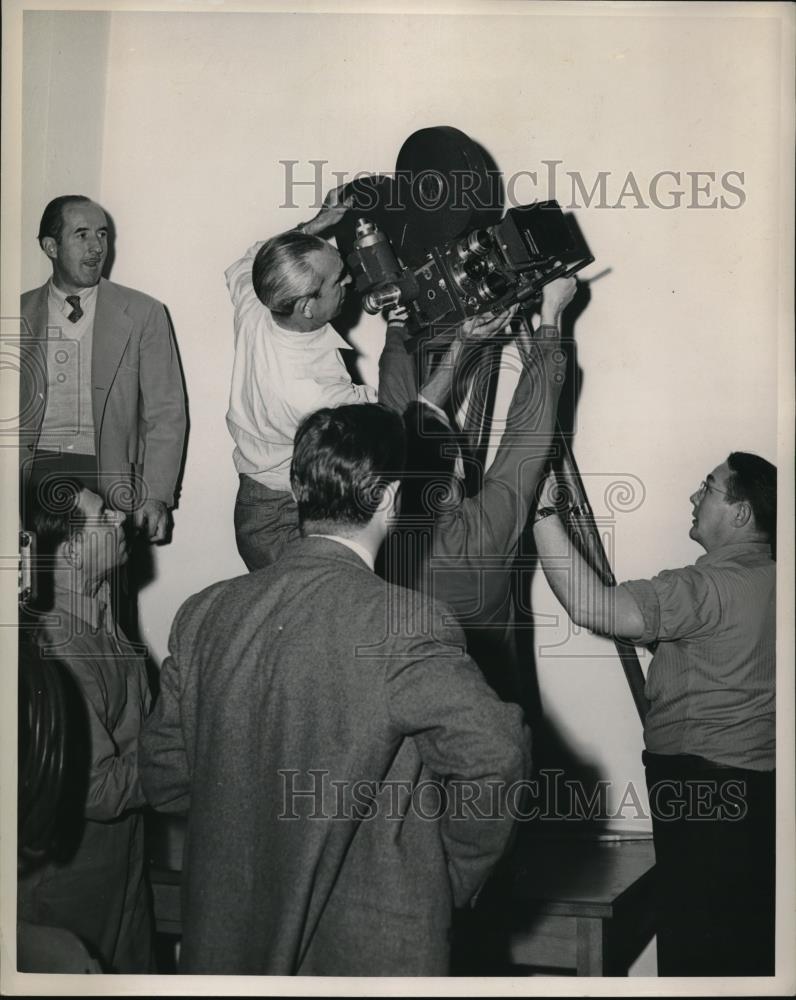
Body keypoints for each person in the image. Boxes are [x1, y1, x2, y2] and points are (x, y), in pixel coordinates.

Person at [139, 403, 529, 975]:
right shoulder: (408, 623)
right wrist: (442, 877)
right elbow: (497, 756)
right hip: (371, 953)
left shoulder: (204, 614)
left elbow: (165, 777)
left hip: (226, 951)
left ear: (298, 491)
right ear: (392, 499)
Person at [532, 451, 776, 976]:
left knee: (697, 961)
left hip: (703, 800)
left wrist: (542, 516)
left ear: (741, 512)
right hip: (761, 798)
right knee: (746, 954)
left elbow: (591, 606)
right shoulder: (777, 580)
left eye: (708, 488)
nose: (694, 496)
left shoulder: (706, 588)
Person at [378, 277, 577, 706]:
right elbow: (531, 428)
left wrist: (397, 332)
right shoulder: (481, 536)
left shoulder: (379, 532)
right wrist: (552, 314)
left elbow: (396, 406)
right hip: (486, 717)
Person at [18, 476, 154, 972]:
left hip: (124, 871)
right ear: (72, 551)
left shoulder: (100, 612)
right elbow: (95, 790)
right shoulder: (59, 647)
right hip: (73, 896)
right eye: (103, 517)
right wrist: (186, 760)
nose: (121, 519)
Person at [20, 195, 186, 542]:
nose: (97, 247)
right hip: (31, 476)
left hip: (108, 477)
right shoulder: (16, 312)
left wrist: (155, 495)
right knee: (33, 587)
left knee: (105, 590)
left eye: (102, 234)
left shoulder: (144, 313)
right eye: (82, 235)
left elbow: (166, 412)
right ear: (51, 246)